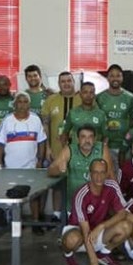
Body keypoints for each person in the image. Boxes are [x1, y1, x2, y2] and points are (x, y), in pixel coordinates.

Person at [60, 159, 133, 265]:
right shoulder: (81, 194)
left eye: (102, 172)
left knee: (127, 226)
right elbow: (86, 232)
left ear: (107, 173)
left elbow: (123, 213)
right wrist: (94, 264)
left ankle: (103, 254)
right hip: (79, 230)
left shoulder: (112, 186)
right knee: (72, 239)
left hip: (98, 229)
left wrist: (101, 226)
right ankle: (68, 255)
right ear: (90, 174)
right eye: (95, 172)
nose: (99, 176)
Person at [0, 91, 47, 233]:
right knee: (14, 197)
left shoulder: (35, 119)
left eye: (25, 102)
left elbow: (42, 141)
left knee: (34, 196)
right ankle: (17, 222)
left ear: (29, 104)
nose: (22, 105)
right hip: (11, 167)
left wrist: (40, 160)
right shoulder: (7, 120)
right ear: (14, 104)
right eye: (19, 102)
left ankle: (36, 223)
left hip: (31, 166)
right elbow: (0, 143)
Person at [42, 71, 82, 223]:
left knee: (77, 184)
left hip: (78, 152)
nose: (66, 84)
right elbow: (45, 126)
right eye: (63, 81)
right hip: (56, 150)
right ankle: (57, 215)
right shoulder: (50, 100)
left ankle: (76, 215)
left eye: (69, 81)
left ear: (74, 82)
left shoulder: (82, 99)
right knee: (57, 184)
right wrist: (47, 148)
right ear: (58, 84)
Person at [48, 125, 113, 214]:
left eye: (90, 137)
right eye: (83, 137)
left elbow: (110, 175)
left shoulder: (102, 148)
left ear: (94, 139)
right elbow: (51, 170)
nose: (87, 140)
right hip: (74, 203)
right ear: (78, 139)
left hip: (97, 203)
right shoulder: (69, 149)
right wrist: (60, 169)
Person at [96, 64, 133, 168]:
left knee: (124, 173)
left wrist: (127, 137)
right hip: (105, 145)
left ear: (122, 78)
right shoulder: (99, 98)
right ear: (107, 78)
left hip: (124, 146)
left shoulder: (130, 98)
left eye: (118, 75)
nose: (115, 78)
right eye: (112, 76)